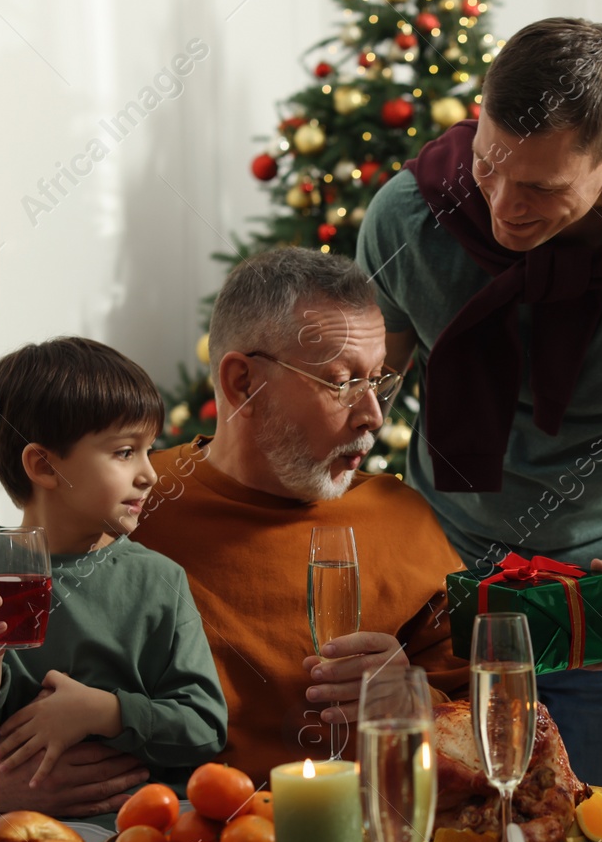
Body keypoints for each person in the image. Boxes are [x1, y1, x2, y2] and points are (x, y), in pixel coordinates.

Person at [355, 17, 602, 810]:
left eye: (541, 187)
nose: (504, 205)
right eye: (488, 167)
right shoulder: (410, 218)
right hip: (442, 592)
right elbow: (363, 402)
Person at [130, 248, 470, 784]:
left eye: (379, 381)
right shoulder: (134, 505)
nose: (373, 415)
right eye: (343, 383)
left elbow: (498, 725)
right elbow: (10, 674)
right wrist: (11, 773)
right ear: (244, 383)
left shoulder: (402, 519)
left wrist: (417, 698)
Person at [0, 338, 228, 809]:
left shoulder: (159, 581)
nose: (150, 474)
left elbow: (205, 728)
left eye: (150, 449)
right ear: (44, 465)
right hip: (17, 835)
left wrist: (102, 712)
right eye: (125, 452)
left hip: (140, 836)